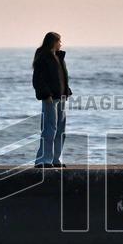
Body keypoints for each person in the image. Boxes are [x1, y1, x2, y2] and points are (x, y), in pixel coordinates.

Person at [31, 32, 72, 168]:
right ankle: (43, 160)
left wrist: (66, 92)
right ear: (53, 42)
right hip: (50, 98)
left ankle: (55, 159)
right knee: (49, 129)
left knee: (61, 130)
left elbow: (62, 77)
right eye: (59, 41)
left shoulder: (59, 57)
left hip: (61, 98)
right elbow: (38, 79)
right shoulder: (43, 56)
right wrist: (45, 94)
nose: (61, 43)